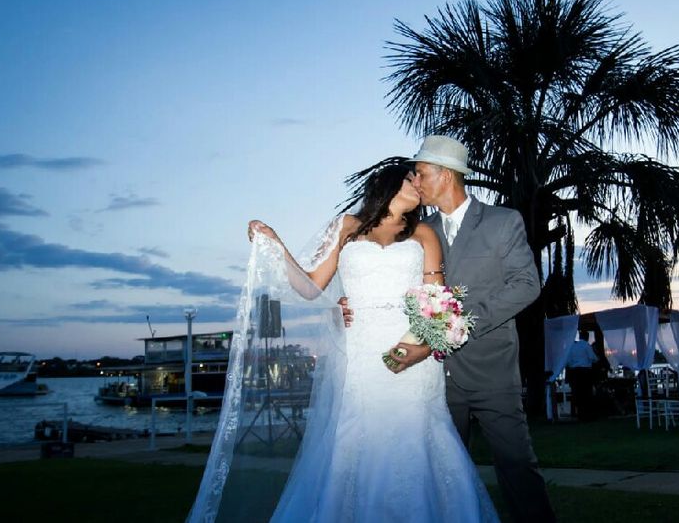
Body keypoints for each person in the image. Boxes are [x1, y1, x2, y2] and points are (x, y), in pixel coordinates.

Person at [191, 162, 498, 522]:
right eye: (411, 177)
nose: (419, 184)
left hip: (410, 350)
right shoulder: (346, 227)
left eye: (420, 178)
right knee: (361, 433)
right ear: (388, 183)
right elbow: (309, 286)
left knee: (417, 435)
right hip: (362, 351)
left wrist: (424, 347)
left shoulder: (424, 236)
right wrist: (277, 245)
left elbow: (436, 300)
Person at [387, 135, 556, 522]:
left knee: (517, 468)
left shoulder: (502, 221)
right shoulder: (417, 231)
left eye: (422, 172)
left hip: (492, 372)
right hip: (434, 378)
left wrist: (461, 324)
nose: (416, 180)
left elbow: (526, 285)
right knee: (445, 475)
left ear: (446, 175)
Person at [565, 332, 599, 420]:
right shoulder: (586, 346)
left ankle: (577, 413)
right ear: (587, 337)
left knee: (577, 392)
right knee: (586, 392)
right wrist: (597, 359)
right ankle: (587, 414)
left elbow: (568, 360)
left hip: (575, 372)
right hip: (585, 372)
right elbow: (592, 357)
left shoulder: (573, 346)